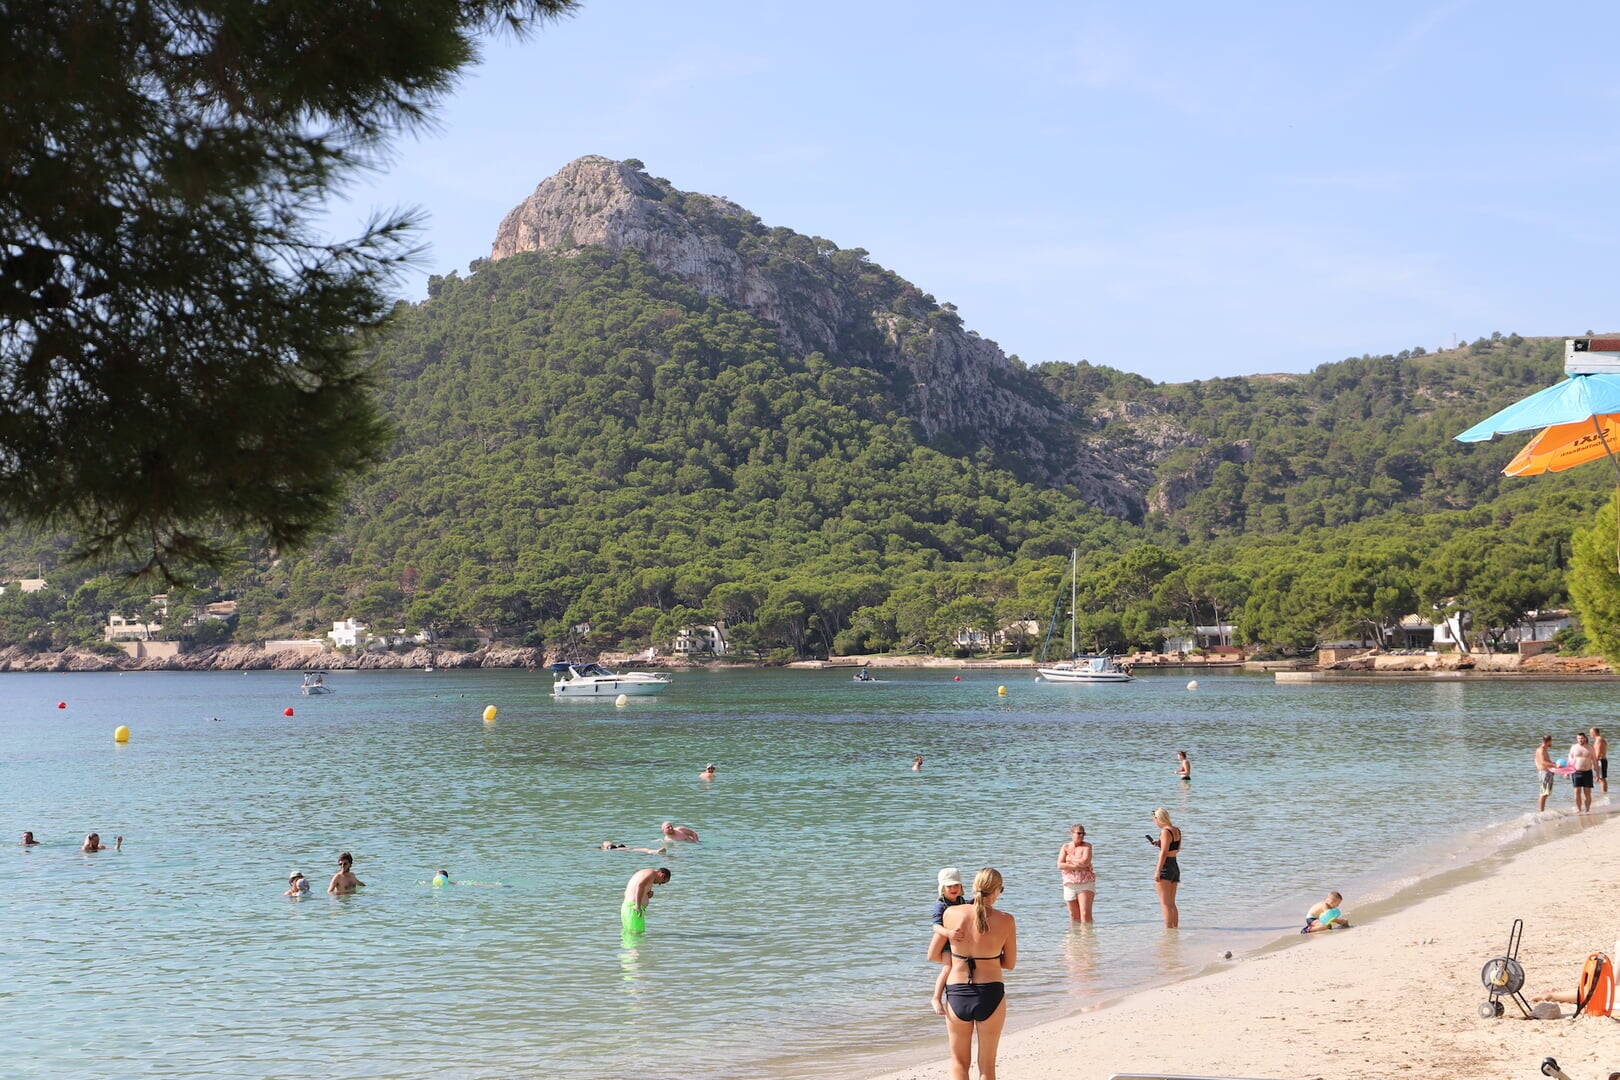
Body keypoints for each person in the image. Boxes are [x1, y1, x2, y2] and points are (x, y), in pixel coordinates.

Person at [928, 868, 1016, 1080]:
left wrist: (960, 958)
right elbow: (1010, 963)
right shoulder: (1006, 920)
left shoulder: (950, 914)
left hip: (958, 993)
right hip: (990, 993)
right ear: (996, 891)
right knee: (987, 1067)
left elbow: (933, 954)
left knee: (959, 1063)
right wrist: (988, 957)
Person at [928, 867, 970, 1015]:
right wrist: (948, 933)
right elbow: (936, 926)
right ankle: (936, 998)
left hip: (958, 943)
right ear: (942, 889)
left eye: (956, 885)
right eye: (949, 886)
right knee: (947, 968)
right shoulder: (941, 905)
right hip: (947, 943)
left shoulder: (961, 900)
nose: (953, 888)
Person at [1057, 824, 1095, 923]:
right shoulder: (1065, 846)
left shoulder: (1087, 846)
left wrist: (1070, 858)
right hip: (1069, 883)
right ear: (1071, 833)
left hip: (1085, 883)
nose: (1081, 835)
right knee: (1074, 916)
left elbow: (1085, 862)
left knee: (1085, 914)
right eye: (1079, 833)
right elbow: (1060, 865)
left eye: (1083, 833)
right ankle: (1075, 937)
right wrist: (1079, 867)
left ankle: (1088, 937)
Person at [1149, 808, 1180, 929]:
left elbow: (1163, 853)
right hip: (1175, 865)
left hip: (1166, 866)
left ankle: (1168, 931)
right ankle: (1175, 929)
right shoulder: (1176, 830)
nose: (1155, 823)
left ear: (1158, 819)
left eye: (1154, 820)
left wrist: (1157, 871)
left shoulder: (1165, 831)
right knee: (1172, 903)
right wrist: (1160, 843)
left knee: (1165, 903)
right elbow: (1175, 848)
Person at [621, 866, 671, 934]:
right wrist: (638, 906)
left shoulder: (644, 873)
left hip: (628, 907)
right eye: (662, 882)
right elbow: (640, 885)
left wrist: (647, 895)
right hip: (634, 908)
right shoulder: (651, 873)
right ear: (662, 875)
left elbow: (630, 891)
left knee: (629, 935)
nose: (659, 884)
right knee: (637, 935)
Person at [1568, 732, 1596, 814]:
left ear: (1585, 738)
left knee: (1587, 792)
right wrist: (1566, 772)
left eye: (1582, 738)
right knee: (1577, 791)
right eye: (1579, 738)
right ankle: (1579, 809)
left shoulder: (1590, 747)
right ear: (1577, 739)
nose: (1580, 740)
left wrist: (1597, 773)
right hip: (1576, 772)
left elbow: (1594, 760)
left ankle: (1587, 809)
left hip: (1587, 772)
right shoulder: (1573, 747)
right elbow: (1570, 760)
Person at [1535, 734, 1557, 812]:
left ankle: (1542, 811)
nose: (1552, 743)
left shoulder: (1545, 749)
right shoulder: (1541, 750)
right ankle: (1541, 812)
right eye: (1551, 741)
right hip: (1544, 773)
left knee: (1546, 793)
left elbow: (1547, 761)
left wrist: (1554, 767)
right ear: (1549, 741)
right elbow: (1542, 762)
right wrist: (1555, 765)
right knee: (1543, 793)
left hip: (1547, 772)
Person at [1592, 726, 1609, 795]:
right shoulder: (1600, 739)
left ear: (1594, 733)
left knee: (1602, 779)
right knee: (1601, 778)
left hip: (1600, 760)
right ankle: (1604, 793)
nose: (1590, 734)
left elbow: (1598, 752)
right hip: (1602, 760)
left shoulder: (1599, 740)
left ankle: (1604, 794)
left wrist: (1594, 762)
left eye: (1591, 732)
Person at [599, 841, 667, 853]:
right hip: (628, 851)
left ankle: (656, 851)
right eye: (606, 842)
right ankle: (656, 851)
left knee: (644, 849)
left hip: (630, 849)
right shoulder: (607, 848)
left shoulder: (615, 846)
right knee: (644, 850)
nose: (608, 841)